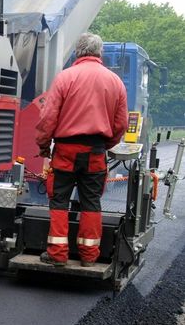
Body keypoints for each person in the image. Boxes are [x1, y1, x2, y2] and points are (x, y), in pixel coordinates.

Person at [35, 32, 128, 267]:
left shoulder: (65, 78)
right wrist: (104, 145)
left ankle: (57, 255)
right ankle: (89, 257)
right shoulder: (115, 81)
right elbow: (121, 124)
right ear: (99, 53)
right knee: (92, 203)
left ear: (78, 52)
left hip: (65, 152)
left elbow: (48, 118)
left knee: (59, 202)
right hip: (95, 153)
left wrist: (44, 146)